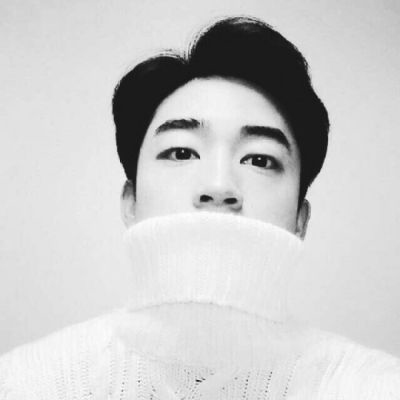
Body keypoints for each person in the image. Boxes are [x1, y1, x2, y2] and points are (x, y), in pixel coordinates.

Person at [1, 15, 399, 399]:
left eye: (259, 159)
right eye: (181, 152)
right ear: (130, 202)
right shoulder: (25, 385)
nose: (219, 187)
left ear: (301, 218)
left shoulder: (377, 388)